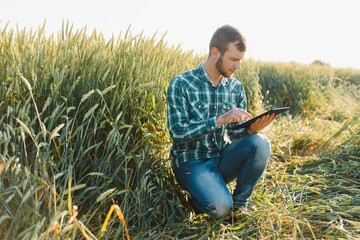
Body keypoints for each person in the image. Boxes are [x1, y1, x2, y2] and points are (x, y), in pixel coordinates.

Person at [166, 25, 276, 219]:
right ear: (215, 52)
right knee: (221, 207)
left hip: (221, 156)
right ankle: (203, 198)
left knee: (260, 143)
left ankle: (240, 205)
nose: (238, 66)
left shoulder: (235, 88)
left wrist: (251, 130)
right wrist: (218, 120)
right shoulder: (182, 84)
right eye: (234, 59)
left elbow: (235, 134)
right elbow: (177, 133)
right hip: (192, 162)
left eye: (240, 60)